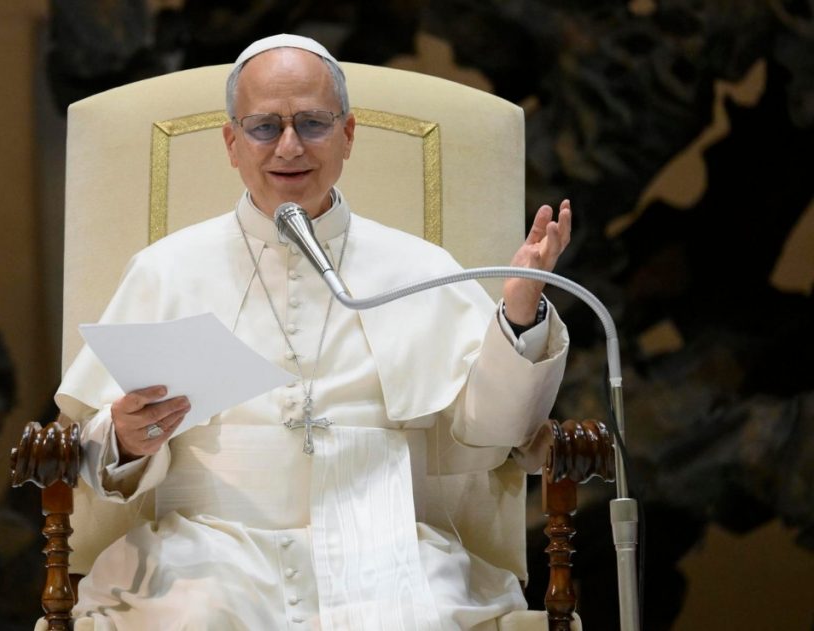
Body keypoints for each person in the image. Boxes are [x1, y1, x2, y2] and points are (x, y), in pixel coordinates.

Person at [55, 34, 572, 631]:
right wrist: (124, 439)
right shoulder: (166, 270)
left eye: (312, 123)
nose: (289, 146)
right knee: (196, 617)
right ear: (232, 143)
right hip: (209, 548)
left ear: (347, 134)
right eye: (263, 127)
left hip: (385, 547)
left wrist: (519, 314)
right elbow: (91, 447)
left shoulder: (420, 268)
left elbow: (496, 431)